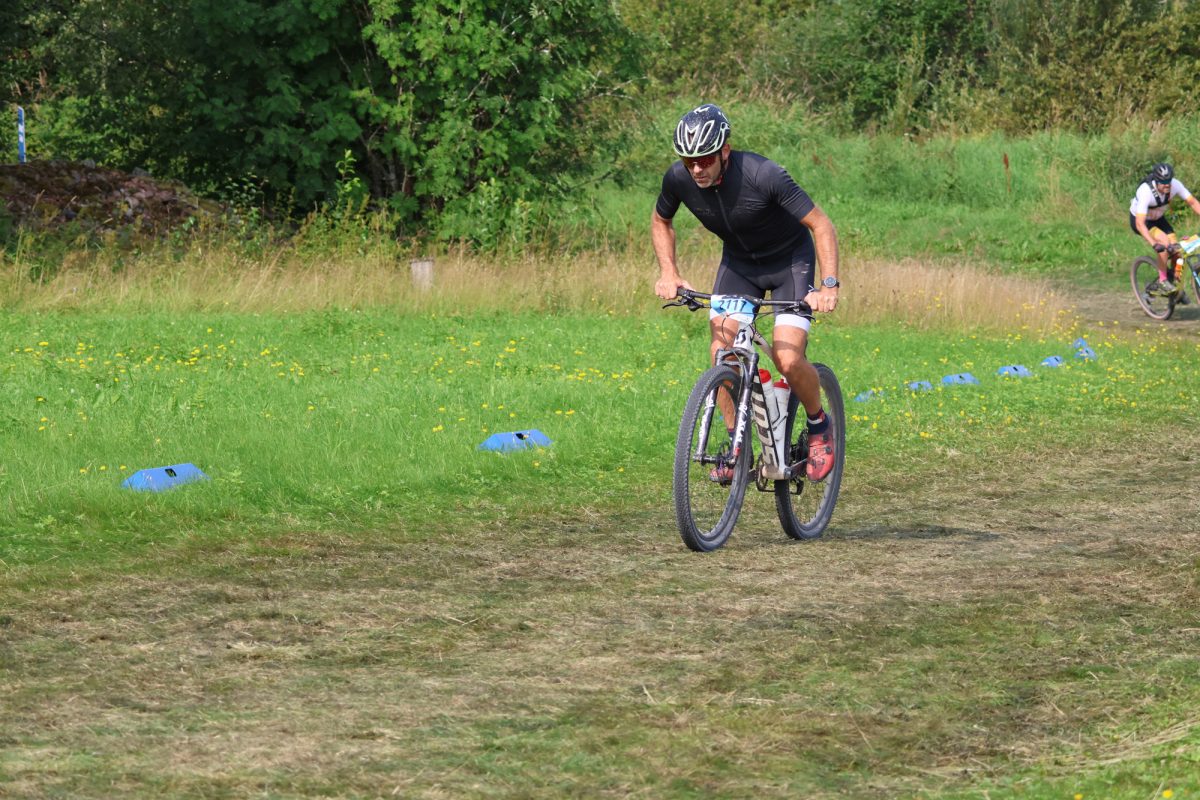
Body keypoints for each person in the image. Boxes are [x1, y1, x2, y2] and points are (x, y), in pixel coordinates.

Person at [652, 103, 841, 482]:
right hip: (740, 266)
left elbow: (821, 225)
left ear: (725, 150)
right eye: (689, 161)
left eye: (705, 159)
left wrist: (829, 285)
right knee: (722, 351)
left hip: (790, 262)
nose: (696, 169)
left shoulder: (763, 174)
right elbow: (661, 220)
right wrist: (669, 271)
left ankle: (819, 424)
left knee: (787, 358)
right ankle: (735, 444)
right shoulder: (678, 179)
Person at [1130, 161, 1200, 296]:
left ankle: (1175, 285)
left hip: (1159, 219)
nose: (1167, 184)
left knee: (1177, 252)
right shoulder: (1145, 192)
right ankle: (1162, 281)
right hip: (1142, 222)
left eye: (1169, 181)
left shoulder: (1175, 184)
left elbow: (1192, 202)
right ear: (1156, 181)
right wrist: (1154, 243)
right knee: (1164, 244)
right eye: (1163, 182)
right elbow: (1140, 223)